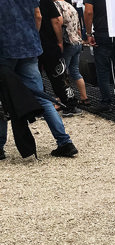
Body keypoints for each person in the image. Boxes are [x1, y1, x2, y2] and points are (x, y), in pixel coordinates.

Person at [0, 0, 78, 158]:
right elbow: (38, 16)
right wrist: (31, 37)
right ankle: (65, 142)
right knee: (41, 96)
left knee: (2, 98)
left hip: (4, 50)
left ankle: (0, 146)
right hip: (29, 48)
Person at [84, 0, 115, 111]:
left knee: (103, 72)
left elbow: (88, 12)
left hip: (102, 33)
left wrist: (88, 33)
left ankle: (106, 102)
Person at [39, 0, 80, 116]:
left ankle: (41, 106)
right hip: (49, 43)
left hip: (31, 45)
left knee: (34, 77)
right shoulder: (46, 2)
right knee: (59, 75)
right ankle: (69, 104)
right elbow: (57, 20)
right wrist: (60, 41)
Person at [55, 0, 89, 107]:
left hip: (67, 43)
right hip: (77, 42)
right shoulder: (70, 6)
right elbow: (78, 27)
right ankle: (84, 97)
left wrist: (59, 41)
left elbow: (58, 22)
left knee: (62, 73)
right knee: (75, 71)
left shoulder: (57, 6)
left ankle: (62, 99)